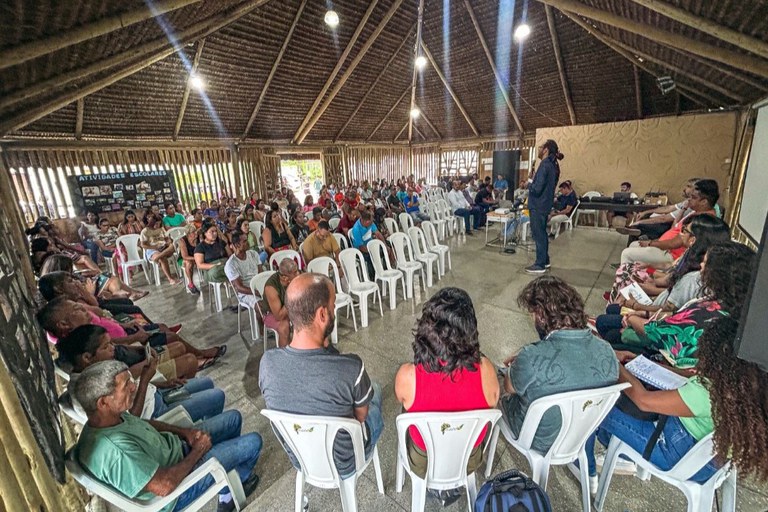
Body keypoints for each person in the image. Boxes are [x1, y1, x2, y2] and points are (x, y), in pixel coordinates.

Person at [585, 316, 768, 489]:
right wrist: (648, 365)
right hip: (706, 464)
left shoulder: (706, 394)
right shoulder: (743, 389)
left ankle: (588, 467)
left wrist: (613, 361)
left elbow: (643, 401)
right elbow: (691, 377)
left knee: (593, 405)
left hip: (672, 456)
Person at [72, 360, 262, 512]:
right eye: (126, 385)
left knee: (233, 419)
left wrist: (184, 432)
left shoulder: (110, 418)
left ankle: (231, 481)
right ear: (103, 402)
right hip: (177, 490)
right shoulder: (115, 451)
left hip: (177, 452)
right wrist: (198, 451)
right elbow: (165, 486)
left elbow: (144, 424)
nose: (133, 387)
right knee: (253, 442)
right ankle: (229, 496)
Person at [259, 273, 384, 478]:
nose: (334, 310)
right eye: (333, 305)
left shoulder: (267, 363)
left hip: (301, 459)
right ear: (322, 315)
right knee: (375, 392)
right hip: (345, 462)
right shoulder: (350, 368)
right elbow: (360, 417)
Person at [501, 275, 618, 493]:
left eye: (533, 314)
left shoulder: (532, 356)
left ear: (542, 316)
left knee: (502, 388)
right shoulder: (607, 351)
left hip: (537, 438)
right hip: (582, 434)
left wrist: (513, 367)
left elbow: (510, 388)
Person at [395, 288, 499, 479]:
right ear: (470, 329)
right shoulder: (486, 370)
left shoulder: (407, 375)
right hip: (469, 460)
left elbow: (402, 398)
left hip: (423, 463)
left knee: (405, 407)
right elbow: (492, 401)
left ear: (426, 329)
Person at [618, 241, 755, 368]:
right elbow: (676, 316)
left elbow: (655, 331)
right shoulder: (742, 307)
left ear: (718, 274)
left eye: (705, 263)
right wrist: (644, 313)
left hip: (670, 365)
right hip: (691, 366)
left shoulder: (705, 310)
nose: (701, 266)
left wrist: (631, 318)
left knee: (612, 333)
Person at [596, 215, 731, 343]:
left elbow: (670, 312)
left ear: (693, 240)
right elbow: (670, 282)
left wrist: (635, 308)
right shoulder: (693, 261)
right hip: (662, 311)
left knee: (604, 321)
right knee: (616, 305)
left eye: (684, 231)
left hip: (663, 323)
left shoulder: (692, 279)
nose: (680, 233)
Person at [59, 325, 225, 422]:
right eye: (106, 347)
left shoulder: (94, 370)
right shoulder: (88, 389)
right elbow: (131, 420)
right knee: (217, 396)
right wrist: (146, 378)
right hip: (155, 412)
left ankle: (205, 422)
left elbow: (131, 388)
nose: (113, 348)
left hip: (154, 394)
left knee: (207, 383)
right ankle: (209, 430)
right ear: (87, 357)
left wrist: (159, 384)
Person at [620, 179, 719, 267]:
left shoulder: (702, 220)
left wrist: (651, 243)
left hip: (671, 254)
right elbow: (675, 227)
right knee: (633, 244)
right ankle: (633, 279)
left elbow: (674, 243)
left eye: (693, 197)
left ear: (704, 202)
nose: (689, 199)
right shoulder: (695, 212)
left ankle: (624, 282)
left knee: (627, 253)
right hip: (666, 247)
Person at [526, 139, 563, 274]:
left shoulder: (544, 164)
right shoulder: (554, 165)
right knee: (542, 233)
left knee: (538, 234)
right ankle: (545, 261)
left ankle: (540, 264)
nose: (539, 149)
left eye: (540, 147)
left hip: (538, 205)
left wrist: (529, 183)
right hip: (545, 204)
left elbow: (537, 188)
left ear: (546, 149)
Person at [260, 258, 299, 347]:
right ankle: (285, 358)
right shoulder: (271, 288)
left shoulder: (295, 278)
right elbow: (279, 316)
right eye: (295, 273)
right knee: (284, 327)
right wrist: (292, 295)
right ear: (285, 278)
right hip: (271, 314)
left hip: (290, 308)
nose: (298, 274)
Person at [225, 231, 263, 310]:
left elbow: (261, 274)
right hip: (245, 293)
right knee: (260, 306)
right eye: (245, 241)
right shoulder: (231, 264)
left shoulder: (253, 254)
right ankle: (262, 322)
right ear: (237, 245)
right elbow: (239, 287)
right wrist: (257, 292)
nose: (248, 243)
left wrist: (262, 288)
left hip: (258, 286)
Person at [140, 213, 180, 285]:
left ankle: (157, 258)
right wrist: (154, 247)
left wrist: (168, 242)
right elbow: (143, 245)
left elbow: (167, 238)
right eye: (156, 224)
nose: (157, 226)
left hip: (164, 247)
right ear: (151, 223)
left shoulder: (161, 228)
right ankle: (170, 279)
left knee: (175, 244)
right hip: (152, 250)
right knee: (163, 258)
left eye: (159, 224)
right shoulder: (145, 231)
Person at [349, 210, 390, 277]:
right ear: (365, 221)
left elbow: (378, 234)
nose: (372, 223)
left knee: (387, 247)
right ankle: (373, 277)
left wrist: (384, 245)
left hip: (371, 245)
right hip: (360, 250)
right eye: (370, 222)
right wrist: (373, 251)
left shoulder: (370, 222)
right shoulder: (356, 229)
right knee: (370, 257)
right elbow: (361, 247)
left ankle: (385, 269)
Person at [178, 225, 200, 294]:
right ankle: (191, 284)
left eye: (195, 231)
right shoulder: (183, 240)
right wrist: (196, 258)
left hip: (196, 257)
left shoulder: (198, 238)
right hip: (184, 259)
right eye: (193, 232)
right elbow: (185, 256)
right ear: (188, 234)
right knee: (188, 263)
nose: (195, 233)